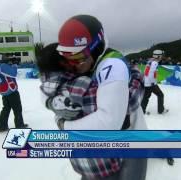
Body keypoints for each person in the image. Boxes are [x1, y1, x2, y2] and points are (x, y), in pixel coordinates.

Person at [39, 15, 147, 180]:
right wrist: (51, 102)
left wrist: (64, 125)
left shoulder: (111, 65)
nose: (72, 64)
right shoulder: (80, 64)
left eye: (77, 57)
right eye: (66, 56)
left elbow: (108, 122)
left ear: (96, 48)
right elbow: (49, 87)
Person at [0, 51, 28, 132]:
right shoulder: (2, 66)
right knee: (17, 108)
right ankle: (19, 125)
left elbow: (5, 73)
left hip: (3, 90)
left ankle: (1, 126)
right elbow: (13, 73)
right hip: (11, 90)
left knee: (6, 108)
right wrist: (14, 64)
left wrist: (9, 64)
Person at [141, 50, 168, 115]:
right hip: (150, 83)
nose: (162, 57)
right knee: (160, 95)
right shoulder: (154, 63)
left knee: (146, 97)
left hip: (147, 83)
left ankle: (142, 111)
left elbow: (146, 72)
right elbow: (150, 74)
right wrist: (152, 82)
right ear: (158, 56)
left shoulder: (150, 61)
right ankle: (161, 110)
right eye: (161, 56)